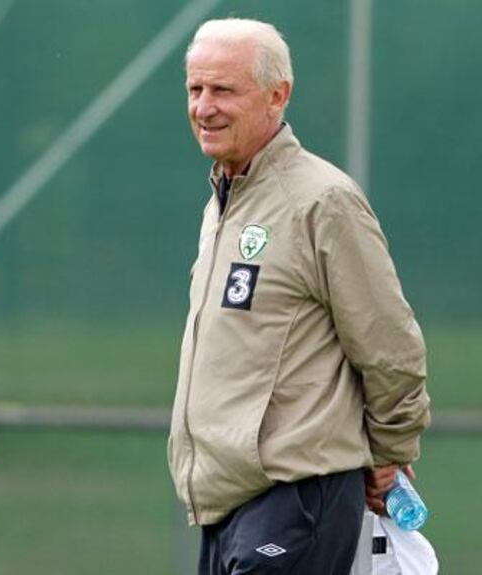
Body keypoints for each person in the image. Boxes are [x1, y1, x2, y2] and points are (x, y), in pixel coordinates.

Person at [167, 17, 432, 575]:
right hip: (229, 503)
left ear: (277, 95)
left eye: (224, 90)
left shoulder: (322, 201)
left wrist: (391, 454)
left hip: (295, 499)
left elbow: (389, 345)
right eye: (196, 89)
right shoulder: (224, 201)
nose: (204, 107)